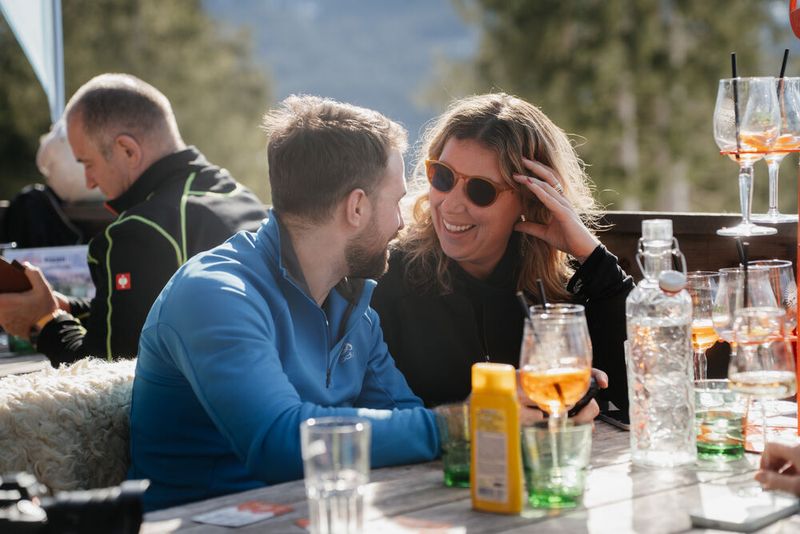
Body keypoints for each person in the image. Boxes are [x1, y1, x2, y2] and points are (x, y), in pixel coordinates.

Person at [128, 95, 440, 511]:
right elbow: (278, 442)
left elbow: (404, 415)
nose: (402, 223)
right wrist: (453, 427)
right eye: (396, 200)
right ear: (357, 207)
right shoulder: (216, 294)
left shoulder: (353, 305)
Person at [371, 93, 632, 414]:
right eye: (443, 177)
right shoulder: (389, 276)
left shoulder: (561, 287)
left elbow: (633, 394)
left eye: (480, 190)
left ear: (531, 198)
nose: (451, 204)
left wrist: (593, 257)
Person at [0, 74, 266, 366]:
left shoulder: (138, 231)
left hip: (194, 408)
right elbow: (142, 309)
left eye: (88, 164)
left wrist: (42, 322)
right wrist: (65, 308)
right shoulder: (241, 196)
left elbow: (104, 375)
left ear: (127, 149)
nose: (89, 182)